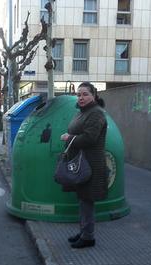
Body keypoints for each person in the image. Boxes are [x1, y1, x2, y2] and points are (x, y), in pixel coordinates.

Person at [60, 82, 108, 249]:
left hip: (90, 164)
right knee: (82, 199)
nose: (81, 97)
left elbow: (89, 138)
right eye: (79, 94)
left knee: (87, 200)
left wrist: (69, 138)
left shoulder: (96, 114)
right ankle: (84, 232)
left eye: (85, 94)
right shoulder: (83, 112)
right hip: (81, 162)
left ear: (94, 95)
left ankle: (88, 237)